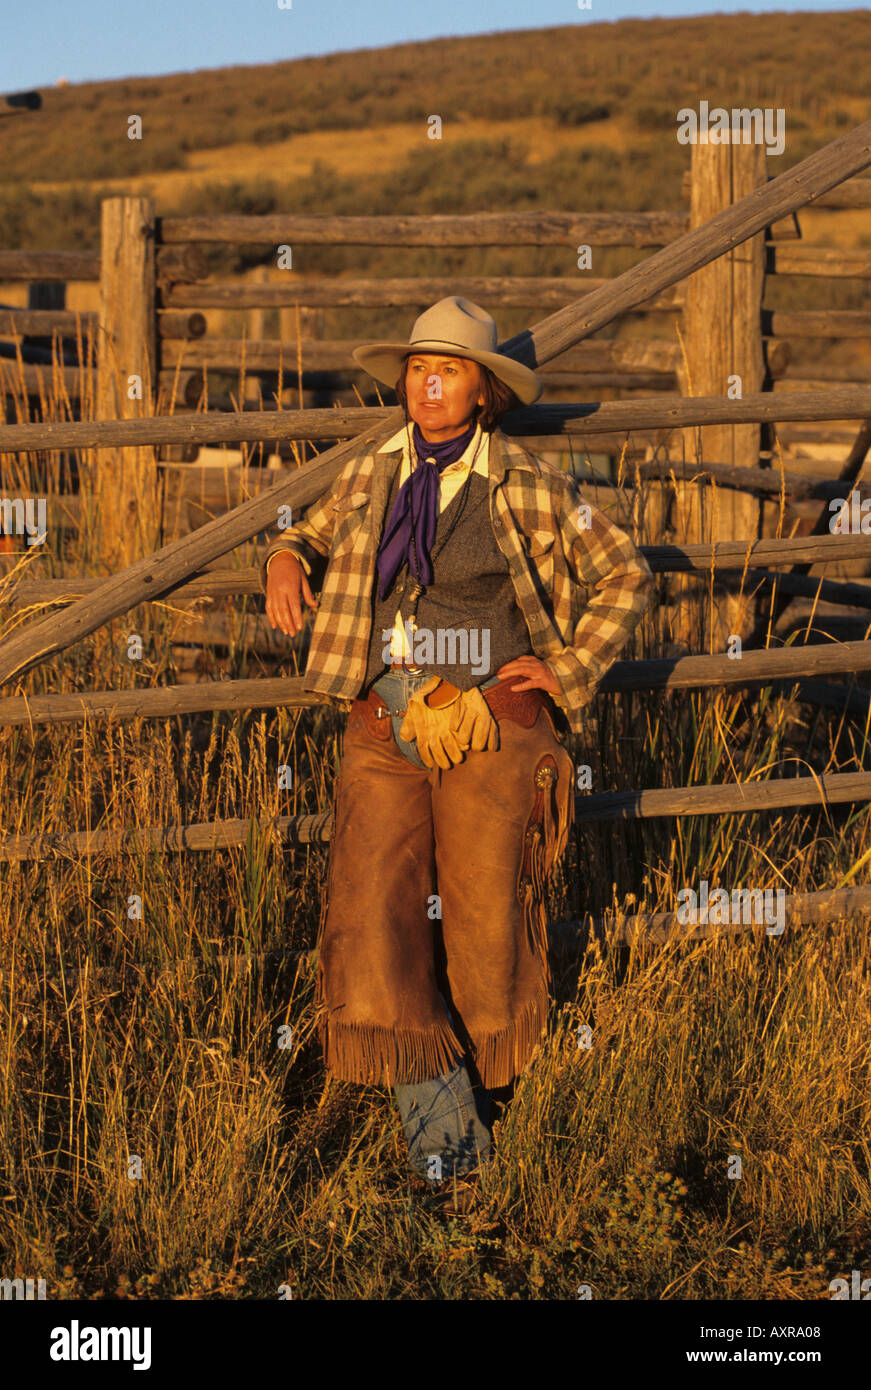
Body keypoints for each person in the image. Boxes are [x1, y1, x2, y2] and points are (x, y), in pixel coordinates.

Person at [263, 297, 653, 1209]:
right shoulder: (376, 468)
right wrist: (285, 556)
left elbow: (625, 571)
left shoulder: (521, 482)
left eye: (448, 371)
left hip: (491, 718)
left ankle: (480, 1127)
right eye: (415, 370)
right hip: (382, 716)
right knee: (373, 919)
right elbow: (309, 530)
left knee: (482, 926)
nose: (426, 385)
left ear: (483, 392)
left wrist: (561, 667)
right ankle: (450, 1153)